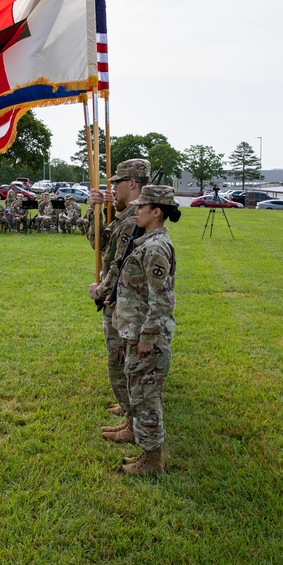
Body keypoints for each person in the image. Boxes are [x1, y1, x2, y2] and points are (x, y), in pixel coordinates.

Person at [108, 185, 179, 476]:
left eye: (141, 208)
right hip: (134, 331)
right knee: (138, 393)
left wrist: (148, 338)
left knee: (147, 398)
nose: (135, 212)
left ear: (156, 212)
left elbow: (162, 299)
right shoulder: (147, 242)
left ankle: (151, 462)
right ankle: (139, 439)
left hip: (146, 337)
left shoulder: (155, 247)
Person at [88, 158, 151, 440]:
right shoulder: (127, 216)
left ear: (132, 183)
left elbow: (120, 266)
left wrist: (101, 292)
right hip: (118, 299)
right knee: (119, 360)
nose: (112, 187)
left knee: (119, 361)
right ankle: (128, 410)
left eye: (116, 182)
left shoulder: (135, 220)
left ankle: (131, 418)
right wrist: (95, 211)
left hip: (121, 301)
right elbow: (99, 244)